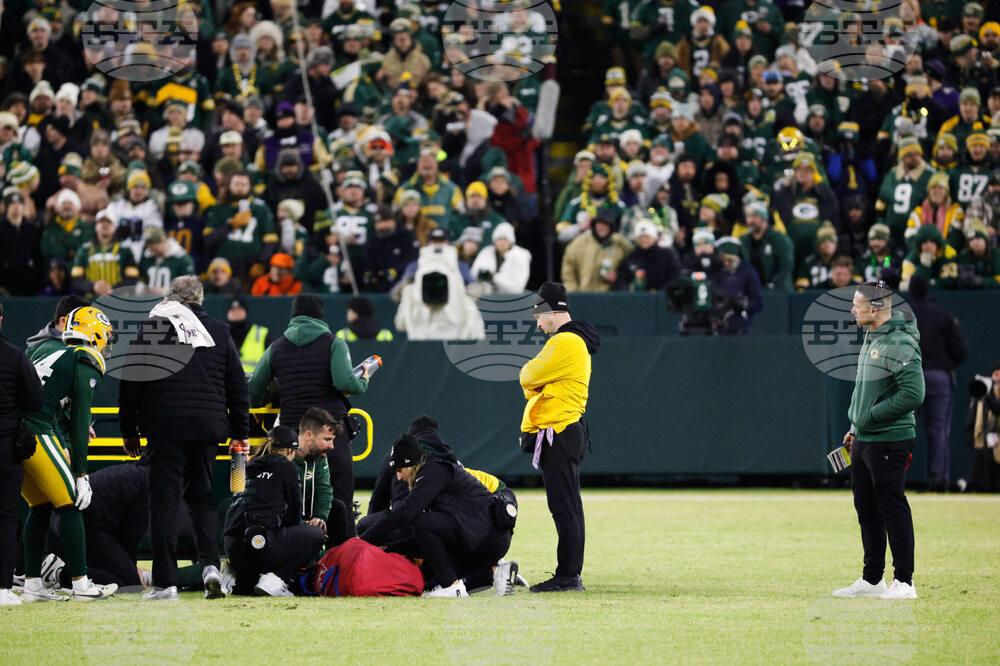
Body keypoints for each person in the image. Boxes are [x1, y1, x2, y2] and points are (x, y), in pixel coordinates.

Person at [118, 276, 250, 601]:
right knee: (202, 498)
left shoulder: (152, 329)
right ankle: (209, 567)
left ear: (169, 299)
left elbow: (130, 383)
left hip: (164, 428)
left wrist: (129, 431)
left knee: (164, 502)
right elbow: (237, 386)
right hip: (208, 427)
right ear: (199, 300)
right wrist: (241, 434)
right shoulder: (219, 331)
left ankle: (166, 583)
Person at [20, 306, 117, 602]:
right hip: (36, 431)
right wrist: (82, 474)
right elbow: (79, 422)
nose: (106, 345)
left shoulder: (48, 350)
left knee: (39, 506)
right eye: (105, 338)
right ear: (94, 333)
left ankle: (33, 585)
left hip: (16, 432)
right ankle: (82, 585)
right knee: (71, 504)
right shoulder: (83, 359)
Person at [836, 281, 925, 600]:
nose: (852, 310)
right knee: (867, 508)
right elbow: (866, 390)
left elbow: (914, 393)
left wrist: (870, 416)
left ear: (875, 309)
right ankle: (873, 579)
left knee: (892, 505)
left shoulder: (899, 341)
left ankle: (905, 581)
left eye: (857, 305)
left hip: (890, 439)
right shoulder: (872, 336)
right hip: (864, 438)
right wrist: (855, 425)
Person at [248, 295, 369, 518]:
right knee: (339, 495)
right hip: (329, 430)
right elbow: (346, 382)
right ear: (321, 317)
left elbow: (255, 386)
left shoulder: (276, 348)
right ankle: (340, 549)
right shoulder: (334, 343)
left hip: (293, 434)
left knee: (290, 494)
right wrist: (364, 379)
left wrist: (258, 410)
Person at [361, 434, 518, 598]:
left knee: (423, 522)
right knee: (432, 555)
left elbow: (407, 513)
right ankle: (495, 571)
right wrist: (390, 548)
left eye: (399, 470)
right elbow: (425, 538)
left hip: (486, 538)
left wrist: (364, 540)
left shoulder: (433, 470)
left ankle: (451, 585)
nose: (399, 477)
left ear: (411, 464)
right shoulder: (434, 472)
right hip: (484, 538)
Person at [520, 282, 600, 593]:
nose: (538, 325)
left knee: (564, 507)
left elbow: (526, 376)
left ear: (551, 312)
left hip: (560, 430)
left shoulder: (563, 342)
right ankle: (569, 572)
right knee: (569, 506)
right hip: (567, 430)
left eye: (539, 317)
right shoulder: (573, 342)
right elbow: (532, 382)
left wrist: (537, 381)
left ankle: (568, 575)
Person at [223, 426, 326, 597]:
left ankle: (235, 574)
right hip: (260, 547)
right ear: (289, 450)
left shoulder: (247, 465)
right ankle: (276, 579)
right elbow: (295, 514)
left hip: (231, 550)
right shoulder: (286, 466)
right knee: (316, 535)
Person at [0, 302, 45, 606]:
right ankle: (2, 588)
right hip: (5, 446)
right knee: (5, 517)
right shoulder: (16, 356)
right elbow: (35, 400)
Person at [907, 276, 968, 492]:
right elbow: (961, 350)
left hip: (910, 377)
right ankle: (938, 479)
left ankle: (892, 477)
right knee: (938, 429)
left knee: (902, 429)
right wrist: (944, 365)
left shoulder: (903, 316)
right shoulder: (943, 315)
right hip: (939, 377)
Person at [293, 409, 353, 548]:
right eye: (327, 439)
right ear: (309, 435)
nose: (331, 446)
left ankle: (336, 563)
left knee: (337, 508)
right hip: (287, 517)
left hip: (307, 513)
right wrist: (304, 524)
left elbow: (324, 488)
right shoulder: (285, 457)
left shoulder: (319, 456)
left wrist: (320, 517)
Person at [226, 296, 274, 374]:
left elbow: (272, 361)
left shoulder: (262, 333)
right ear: (227, 313)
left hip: (255, 383)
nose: (236, 312)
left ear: (246, 312)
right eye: (232, 310)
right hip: (228, 383)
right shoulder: (222, 334)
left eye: (240, 309)